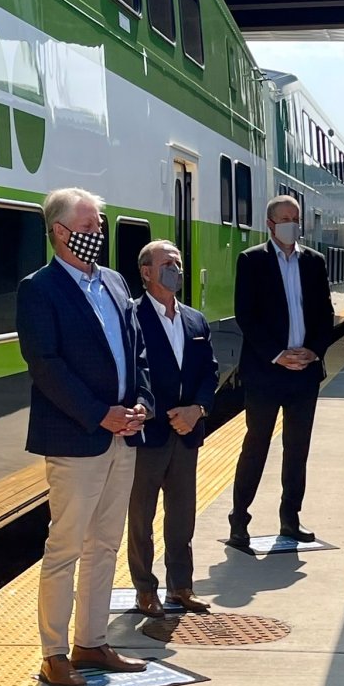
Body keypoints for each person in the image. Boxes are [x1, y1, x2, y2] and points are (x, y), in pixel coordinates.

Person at [16, 187, 153, 686]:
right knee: (65, 547)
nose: (98, 233)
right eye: (89, 226)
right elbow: (45, 367)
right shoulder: (39, 289)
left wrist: (142, 403)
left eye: (100, 224)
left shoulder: (115, 283)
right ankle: (54, 654)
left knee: (105, 545)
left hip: (123, 437)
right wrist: (101, 416)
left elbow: (138, 353)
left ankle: (91, 641)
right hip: (78, 440)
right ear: (59, 231)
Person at [228, 195, 334, 551]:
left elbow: (324, 313)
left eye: (296, 218)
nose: (293, 224)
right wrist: (277, 355)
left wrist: (313, 351)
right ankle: (239, 520)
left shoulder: (314, 262)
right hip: (265, 372)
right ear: (270, 225)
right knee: (255, 445)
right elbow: (247, 315)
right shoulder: (251, 260)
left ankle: (291, 517)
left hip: (304, 372)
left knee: (297, 448)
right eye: (285, 219)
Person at [127, 240, 219, 616]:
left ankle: (181, 586)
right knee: (141, 517)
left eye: (178, 263)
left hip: (187, 433)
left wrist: (197, 410)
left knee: (182, 514)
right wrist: (158, 411)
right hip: (149, 435)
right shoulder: (129, 316)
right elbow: (132, 371)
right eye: (167, 263)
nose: (175, 269)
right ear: (146, 272)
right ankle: (144, 588)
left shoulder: (195, 320)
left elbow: (209, 372)